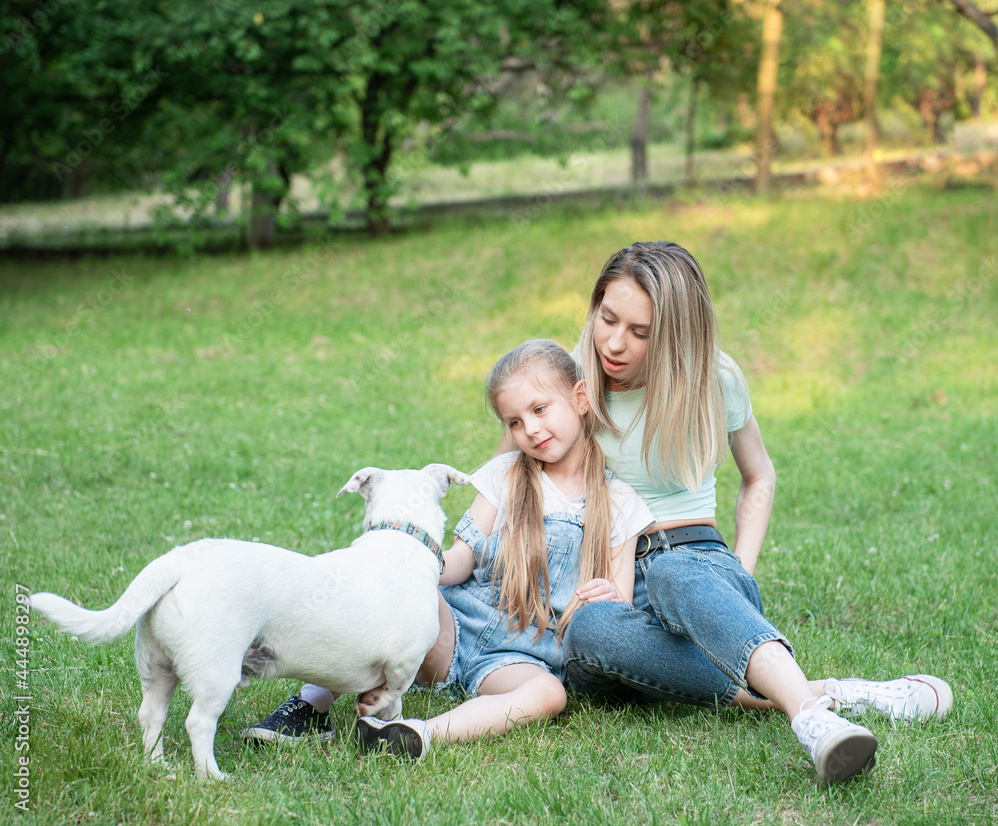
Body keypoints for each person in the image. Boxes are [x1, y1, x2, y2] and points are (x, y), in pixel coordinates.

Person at [558, 241, 952, 783]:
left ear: (676, 336)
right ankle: (824, 694)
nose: (615, 343)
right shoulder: (566, 380)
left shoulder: (714, 379)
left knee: (674, 573)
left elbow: (759, 474)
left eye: (640, 332)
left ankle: (812, 724)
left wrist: (741, 568)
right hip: (611, 578)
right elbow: (518, 489)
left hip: (695, 564)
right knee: (587, 630)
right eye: (607, 319)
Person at [245, 339, 654, 758]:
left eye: (539, 409)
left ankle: (415, 732)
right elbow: (462, 558)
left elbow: (620, 602)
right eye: (514, 422)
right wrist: (415, 563)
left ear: (581, 399)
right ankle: (309, 706)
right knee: (387, 601)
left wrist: (605, 595)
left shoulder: (621, 504)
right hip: (450, 625)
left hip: (522, 656)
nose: (529, 429)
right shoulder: (506, 475)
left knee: (549, 695)